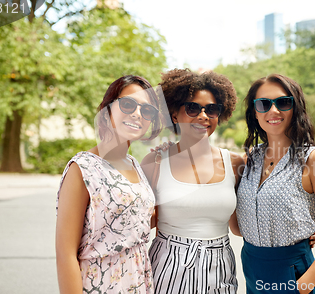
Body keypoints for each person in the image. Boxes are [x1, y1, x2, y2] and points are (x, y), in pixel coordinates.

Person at [236, 74, 315, 294]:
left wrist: (302, 287)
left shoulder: (313, 160)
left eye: (283, 102)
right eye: (263, 104)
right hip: (253, 274)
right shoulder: (249, 160)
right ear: (254, 112)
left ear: (295, 107)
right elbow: (239, 228)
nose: (273, 111)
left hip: (296, 278)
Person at [55, 75, 162, 293]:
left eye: (147, 110)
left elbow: (130, 225)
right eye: (128, 104)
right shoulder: (83, 168)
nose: (137, 113)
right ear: (107, 110)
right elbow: (65, 253)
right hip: (101, 285)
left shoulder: (133, 164)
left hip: (139, 282)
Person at [141, 68, 244, 294]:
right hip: (168, 267)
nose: (203, 115)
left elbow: (239, 227)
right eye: (192, 107)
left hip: (220, 269)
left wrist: (299, 233)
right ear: (174, 114)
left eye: (212, 109)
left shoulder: (236, 163)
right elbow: (138, 222)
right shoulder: (155, 161)